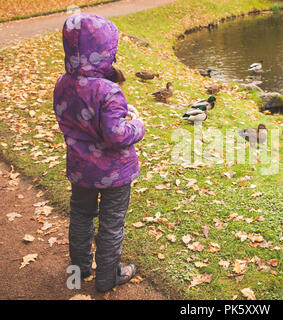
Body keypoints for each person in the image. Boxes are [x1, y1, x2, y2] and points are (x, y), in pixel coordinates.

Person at [53, 13, 145, 292]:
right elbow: (116, 135)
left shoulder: (63, 84)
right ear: (105, 52)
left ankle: (80, 268)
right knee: (111, 223)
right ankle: (107, 277)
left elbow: (74, 117)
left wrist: (116, 114)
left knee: (80, 214)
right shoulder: (108, 91)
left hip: (81, 168)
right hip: (113, 173)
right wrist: (137, 127)